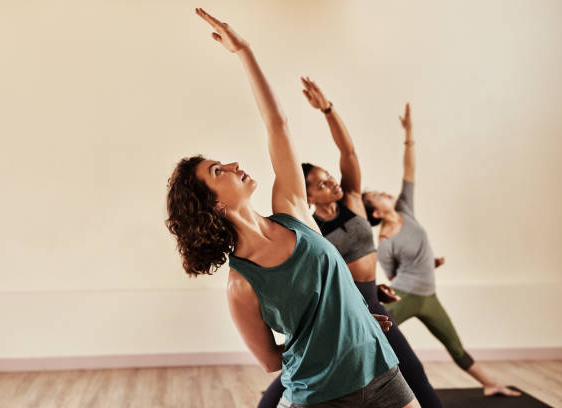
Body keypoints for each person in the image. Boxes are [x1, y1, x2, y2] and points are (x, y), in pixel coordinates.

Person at [166, 8, 419, 407]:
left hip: (382, 371)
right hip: (321, 397)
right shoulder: (240, 284)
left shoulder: (292, 210)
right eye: (218, 171)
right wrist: (328, 346)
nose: (232, 165)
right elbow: (270, 360)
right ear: (213, 203)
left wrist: (244, 51)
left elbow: (278, 124)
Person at [259, 77, 442, 408]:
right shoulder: (308, 227)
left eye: (329, 176)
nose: (331, 182)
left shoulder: (354, 201)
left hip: (373, 300)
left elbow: (348, 150)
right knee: (291, 381)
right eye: (320, 183)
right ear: (308, 194)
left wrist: (327, 109)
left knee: (414, 376)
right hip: (343, 309)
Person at [363, 103, 520, 398]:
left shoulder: (405, 210)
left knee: (454, 344)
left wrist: (408, 133)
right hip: (407, 296)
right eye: (377, 196)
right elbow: (394, 278)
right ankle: (354, 391)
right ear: (375, 213)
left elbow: (409, 170)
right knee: (373, 337)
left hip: (429, 296)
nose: (385, 192)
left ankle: (490, 383)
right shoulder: (384, 243)